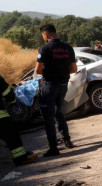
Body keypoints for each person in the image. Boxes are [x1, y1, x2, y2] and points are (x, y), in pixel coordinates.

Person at [34, 24, 77, 157]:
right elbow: (74, 69)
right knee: (59, 112)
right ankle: (67, 140)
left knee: (48, 117)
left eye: (43, 36)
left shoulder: (45, 48)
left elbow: (37, 70)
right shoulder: (68, 47)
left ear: (46, 35)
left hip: (49, 85)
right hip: (63, 85)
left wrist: (49, 72)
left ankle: (53, 148)